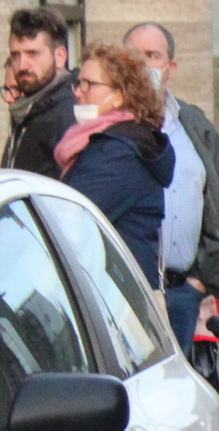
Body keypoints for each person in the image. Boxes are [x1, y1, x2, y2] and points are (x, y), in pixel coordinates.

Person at [123, 22, 219, 348]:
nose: (144, 65)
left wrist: (199, 281)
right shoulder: (111, 122)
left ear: (171, 67)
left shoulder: (194, 124)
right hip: (128, 287)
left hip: (183, 291)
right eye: (135, 56)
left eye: (153, 55)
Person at [57, 44, 175, 288]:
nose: (79, 92)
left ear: (120, 96)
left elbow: (70, 220)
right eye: (78, 83)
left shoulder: (119, 151)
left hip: (116, 294)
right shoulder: (108, 142)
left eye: (90, 84)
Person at [1, 7, 78, 177]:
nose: (22, 65)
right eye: (15, 55)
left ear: (60, 57)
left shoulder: (67, 114)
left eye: (32, 54)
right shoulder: (28, 110)